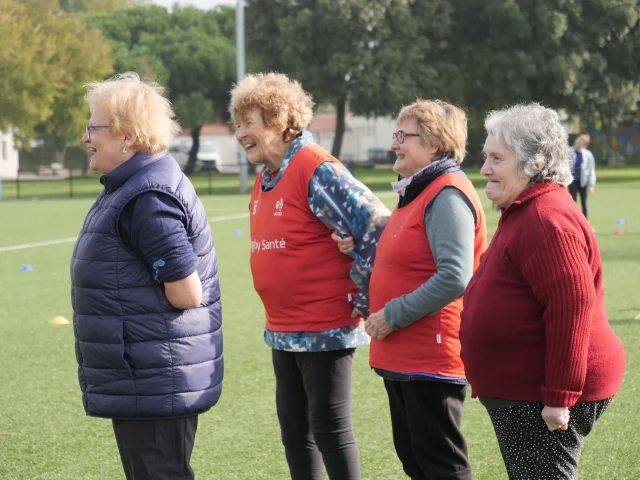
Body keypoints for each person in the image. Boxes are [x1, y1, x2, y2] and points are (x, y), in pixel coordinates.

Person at [229, 72, 389, 480]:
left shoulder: (314, 167)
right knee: (295, 434)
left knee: (330, 432)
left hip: (325, 327)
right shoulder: (267, 177)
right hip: (283, 329)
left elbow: (375, 223)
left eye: (250, 122)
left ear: (282, 121)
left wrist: (365, 297)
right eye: (238, 124)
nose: (240, 133)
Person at [460, 104, 626, 480]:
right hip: (527, 392)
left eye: (496, 158)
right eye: (485, 157)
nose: (484, 168)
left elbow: (572, 307)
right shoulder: (525, 208)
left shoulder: (546, 219)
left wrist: (558, 396)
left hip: (542, 396)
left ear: (533, 162)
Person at [71, 72, 223, 480]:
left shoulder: (147, 195)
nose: (86, 138)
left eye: (93, 127)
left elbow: (186, 292)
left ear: (128, 137)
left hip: (154, 378)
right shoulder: (132, 185)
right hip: (147, 376)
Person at [336, 99, 487, 480]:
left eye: (404, 136)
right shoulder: (418, 190)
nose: (395, 144)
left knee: (441, 467)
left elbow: (454, 276)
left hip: (430, 359)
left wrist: (391, 315)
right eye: (395, 135)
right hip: (404, 358)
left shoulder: (447, 193)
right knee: (417, 462)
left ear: (435, 143)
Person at [568, 133, 596, 218]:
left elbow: (591, 170)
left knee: (584, 202)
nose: (578, 144)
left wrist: (591, 185)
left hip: (583, 181)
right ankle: (574, 221)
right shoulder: (569, 152)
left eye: (581, 143)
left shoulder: (588, 155)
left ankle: (585, 223)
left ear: (585, 145)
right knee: (573, 202)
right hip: (572, 181)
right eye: (578, 141)